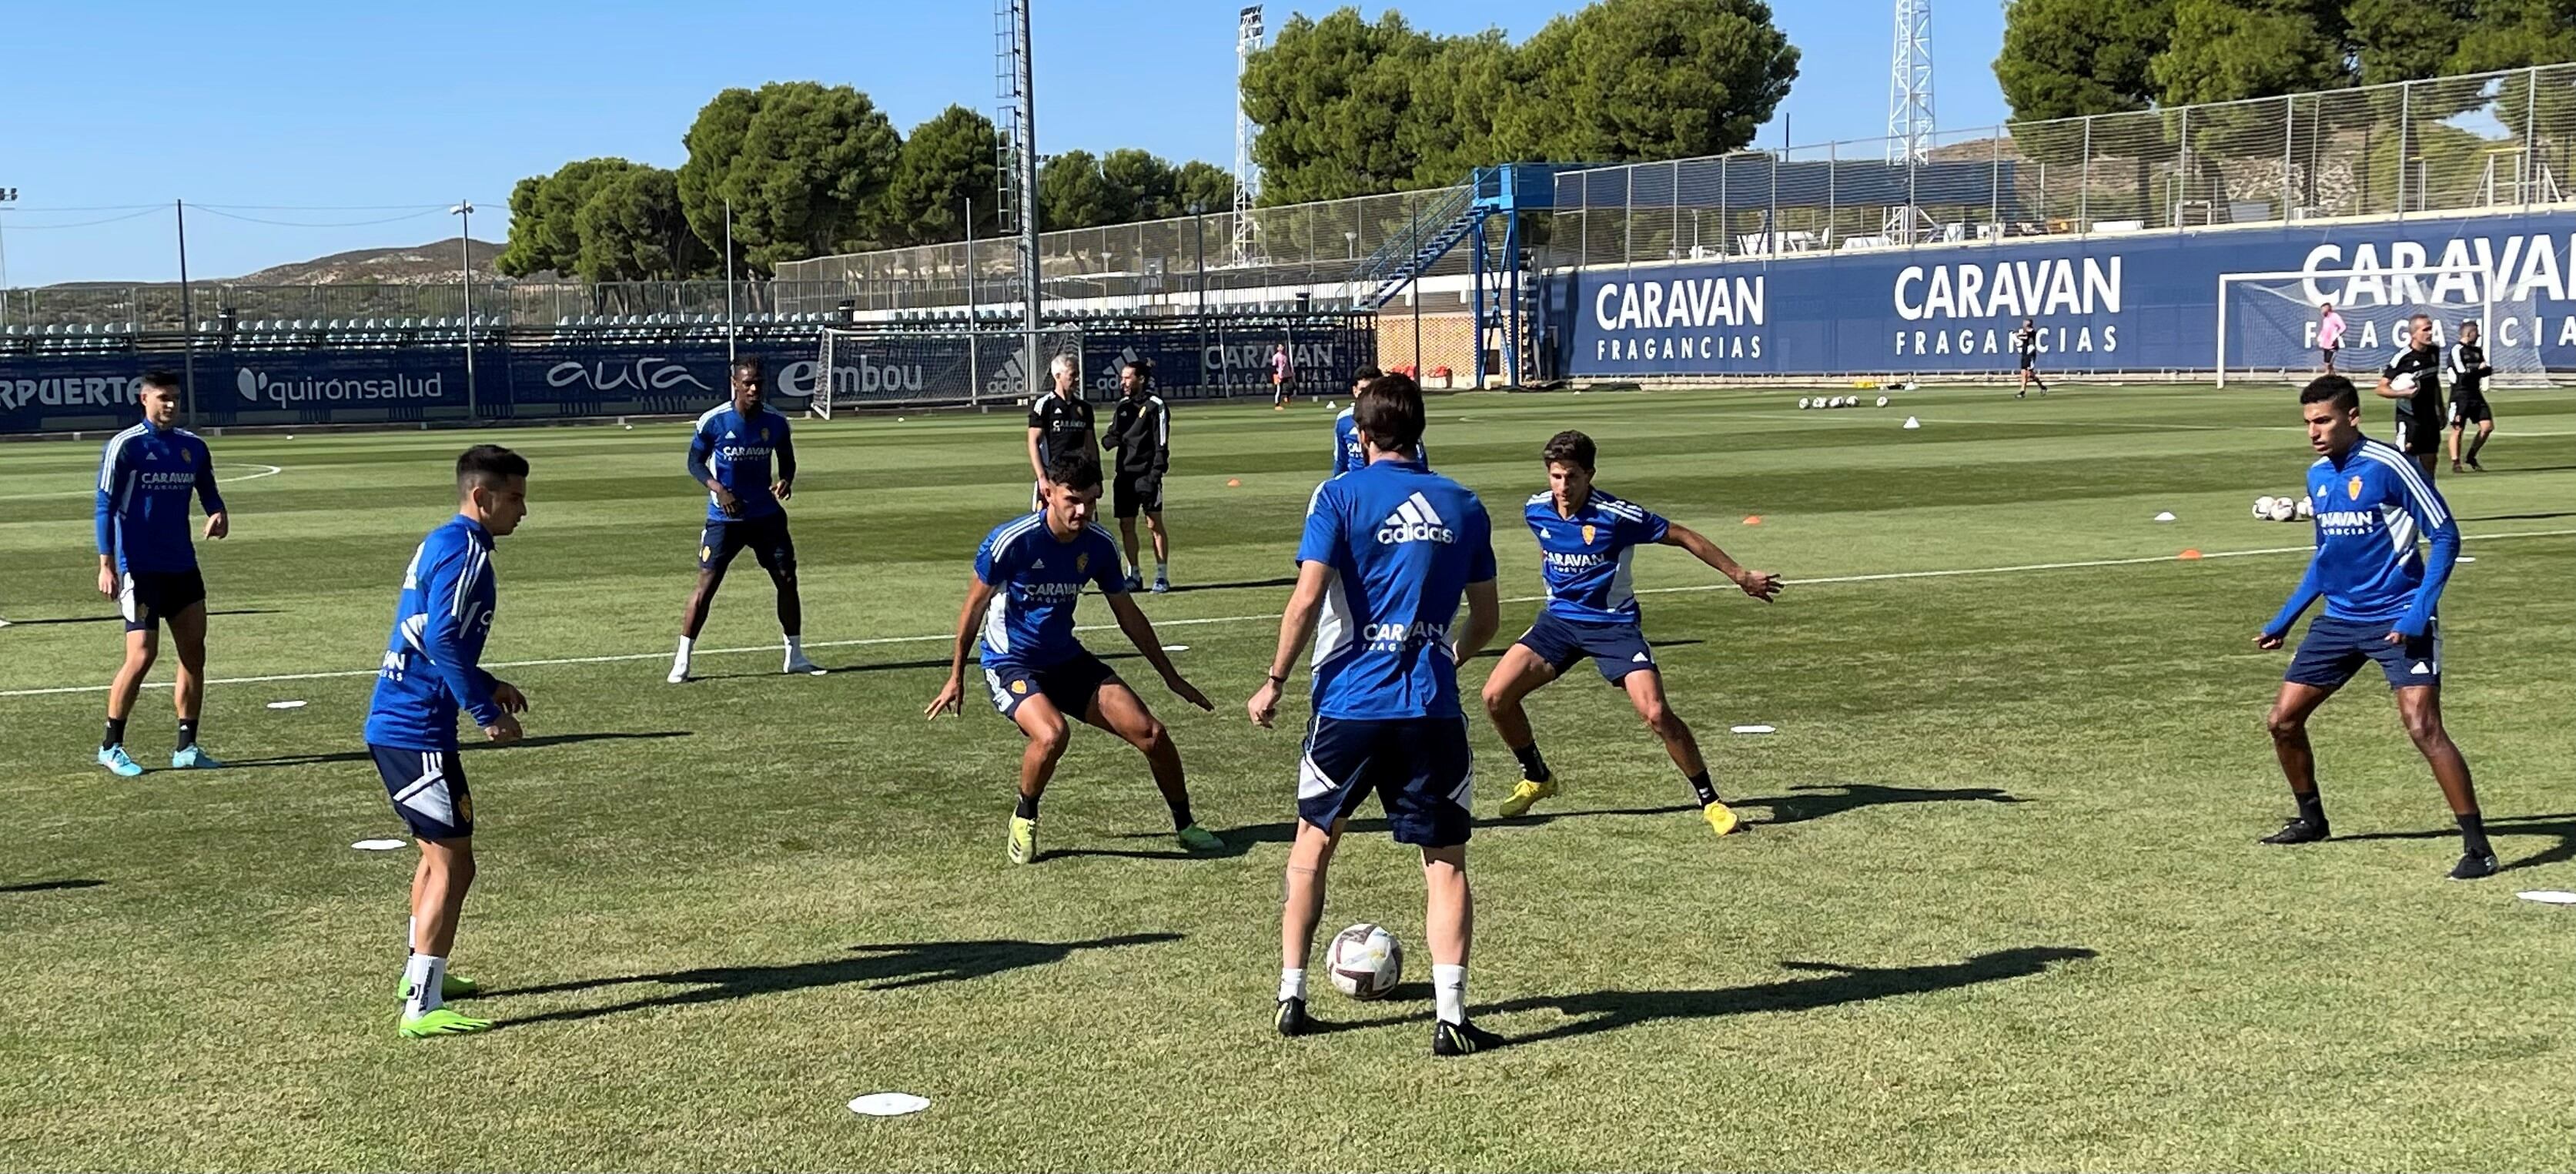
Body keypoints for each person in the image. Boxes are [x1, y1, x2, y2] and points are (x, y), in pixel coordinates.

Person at [1248, 373, 1506, 1056]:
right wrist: (1444, 654)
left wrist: (1274, 679)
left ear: (1361, 437)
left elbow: (1306, 601)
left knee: (1312, 845)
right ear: (1420, 432)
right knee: (1444, 861)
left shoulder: (1339, 495)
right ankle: (1451, 1017)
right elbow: (1488, 619)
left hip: (1349, 703)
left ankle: (1292, 993)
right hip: (1429, 706)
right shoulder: (1464, 503)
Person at [926, 450, 1223, 865]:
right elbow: (973, 607)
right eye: (1072, 500)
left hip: (1067, 661)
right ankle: (1024, 815)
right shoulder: (1012, 541)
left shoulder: (1099, 545)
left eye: (1090, 500)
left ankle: (1186, 825)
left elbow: (1128, 614)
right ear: (1048, 493)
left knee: (1152, 735)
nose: (1082, 510)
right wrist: (955, 674)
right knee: (1051, 735)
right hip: (1011, 663)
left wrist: (1170, 677)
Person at [1482, 430, 1784, 835]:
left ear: (1590, 474)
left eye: (1571, 476)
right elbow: (1547, 545)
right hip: (1559, 623)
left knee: (1656, 713)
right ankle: (1537, 777)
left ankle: (1710, 801)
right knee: (1495, 697)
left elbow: (1682, 535)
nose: (1562, 487)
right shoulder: (1535, 509)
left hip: (1613, 626)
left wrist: (1740, 575)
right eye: (1555, 476)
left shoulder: (1616, 516)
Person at [2256, 376, 2490, 880]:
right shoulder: (2318, 475)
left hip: (2399, 615)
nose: (2314, 431)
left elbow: (2446, 535)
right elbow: (2327, 556)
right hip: (2340, 619)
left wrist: (2416, 611)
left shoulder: (2391, 466)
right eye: (2308, 423)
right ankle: (2312, 820)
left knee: (2423, 727)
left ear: (2353, 416)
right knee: (2283, 721)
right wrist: (2284, 618)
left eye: (2323, 420)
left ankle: (2478, 848)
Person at [365, 444, 533, 1036]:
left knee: (437, 856)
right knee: (454, 864)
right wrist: (485, 709)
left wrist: (488, 680)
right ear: (481, 498)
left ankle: (420, 972)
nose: (523, 510)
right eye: (513, 498)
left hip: (400, 723)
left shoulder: (442, 541)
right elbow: (439, 637)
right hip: (416, 728)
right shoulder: (466, 554)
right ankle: (422, 1004)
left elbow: (427, 634)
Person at [93, 370, 229, 776]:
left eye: (174, 398)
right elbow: (104, 505)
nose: (169, 405)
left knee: (194, 653)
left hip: (182, 566)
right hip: (139, 568)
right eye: (162, 398)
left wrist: (218, 512)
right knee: (142, 656)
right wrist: (107, 563)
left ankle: (187, 746)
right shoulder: (126, 446)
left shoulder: (193, 447)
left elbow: (207, 488)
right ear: (144, 399)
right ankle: (111, 745)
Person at [667, 357, 818, 683]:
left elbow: (788, 460)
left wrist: (786, 479)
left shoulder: (776, 422)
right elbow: (694, 462)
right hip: (725, 518)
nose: (754, 388)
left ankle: (795, 655)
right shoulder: (714, 421)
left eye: (759, 383)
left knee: (787, 581)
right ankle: (682, 660)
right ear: (734, 383)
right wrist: (718, 489)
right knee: (706, 587)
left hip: (766, 516)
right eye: (747, 382)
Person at [1102, 358, 1173, 593]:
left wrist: (1155, 474)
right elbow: (1113, 435)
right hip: (1124, 476)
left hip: (1147, 475)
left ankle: (1162, 575)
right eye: (1122, 378)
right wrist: (1108, 440)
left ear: (1140, 379)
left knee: (1154, 524)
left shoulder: (1156, 406)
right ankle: (1134, 574)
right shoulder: (1123, 406)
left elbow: (1161, 443)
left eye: (1127, 377)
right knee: (1126, 524)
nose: (1123, 382)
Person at [2376, 313, 2444, 480]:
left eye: (2431, 329)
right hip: (2410, 418)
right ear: (2413, 333)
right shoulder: (2402, 358)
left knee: (2430, 461)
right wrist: (2403, 393)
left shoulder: (2434, 352)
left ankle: (2428, 500)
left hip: (2429, 417)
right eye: (2425, 330)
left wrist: (2441, 409)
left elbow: (2434, 382)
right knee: (2406, 462)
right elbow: (2381, 388)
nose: (2430, 333)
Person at [1026, 353, 1096, 509]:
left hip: (1080, 476)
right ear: (1057, 376)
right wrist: (1042, 477)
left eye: (1078, 374)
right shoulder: (1044, 405)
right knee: (1046, 526)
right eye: (1073, 375)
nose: (1077, 379)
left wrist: (1096, 477)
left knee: (1081, 524)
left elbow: (1090, 444)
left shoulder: (1084, 408)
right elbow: (1033, 442)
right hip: (1053, 478)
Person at [1334, 366, 1430, 475]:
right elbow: (1341, 459)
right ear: (1355, 390)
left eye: (1372, 390)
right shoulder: (1344, 419)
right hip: (1358, 484)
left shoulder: (1394, 415)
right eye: (1363, 390)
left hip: (1389, 478)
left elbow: (1417, 452)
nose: (1367, 396)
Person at [2446, 319, 2495, 473]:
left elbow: (2487, 370)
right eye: (2476, 332)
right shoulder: (2457, 350)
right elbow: (2462, 374)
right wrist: (2477, 370)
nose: (2479, 335)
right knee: (2458, 428)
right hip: (2460, 394)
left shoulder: (2477, 351)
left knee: (2487, 427)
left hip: (2475, 393)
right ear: (2469, 333)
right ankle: (2456, 462)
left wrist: (2478, 370)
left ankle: (2471, 456)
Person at [2012, 318, 2047, 398]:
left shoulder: (2031, 331)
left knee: (2028, 374)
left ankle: (2025, 391)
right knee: (2025, 373)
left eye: (2025, 323)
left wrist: (2017, 335)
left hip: (2030, 353)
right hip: (2024, 353)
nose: (2023, 324)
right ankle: (2025, 391)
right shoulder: (2025, 332)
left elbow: (2026, 336)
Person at [2317, 302, 2346, 375]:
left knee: (2328, 363)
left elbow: (2343, 327)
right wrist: (2320, 336)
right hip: (2326, 344)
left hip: (2333, 344)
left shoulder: (2335, 316)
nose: (2322, 311)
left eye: (2323, 309)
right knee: (2327, 362)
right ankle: (2333, 377)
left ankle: (2327, 375)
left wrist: (2337, 335)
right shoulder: (2325, 319)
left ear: (2327, 308)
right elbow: (2324, 330)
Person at [1270, 343, 1293, 410]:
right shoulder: (1276, 356)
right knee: (1279, 390)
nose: (1282, 348)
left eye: (1282, 347)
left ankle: (1287, 396)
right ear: (1277, 348)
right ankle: (1277, 404)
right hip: (1280, 375)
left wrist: (1291, 372)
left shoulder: (1285, 356)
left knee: (1292, 386)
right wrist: (1276, 376)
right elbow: (1274, 366)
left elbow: (1287, 365)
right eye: (1280, 347)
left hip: (1287, 374)